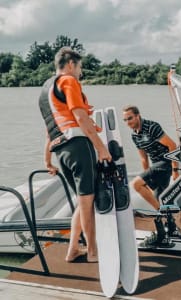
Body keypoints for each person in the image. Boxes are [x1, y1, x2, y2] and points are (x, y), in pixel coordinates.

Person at [39, 47, 112, 262]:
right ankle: (92, 252)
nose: (80, 72)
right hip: (78, 146)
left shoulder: (46, 90)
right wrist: (101, 148)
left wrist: (47, 160)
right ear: (71, 64)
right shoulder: (68, 81)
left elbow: (49, 130)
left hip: (61, 150)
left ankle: (72, 249)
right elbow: (81, 118)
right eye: (79, 67)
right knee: (87, 201)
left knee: (81, 201)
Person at [122, 105, 179, 210]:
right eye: (125, 120)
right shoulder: (134, 135)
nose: (127, 122)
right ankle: (165, 216)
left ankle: (160, 212)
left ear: (138, 116)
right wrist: (147, 179)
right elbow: (144, 158)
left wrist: (175, 169)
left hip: (165, 163)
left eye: (130, 118)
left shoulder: (152, 127)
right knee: (157, 198)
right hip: (156, 167)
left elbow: (172, 145)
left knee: (136, 184)